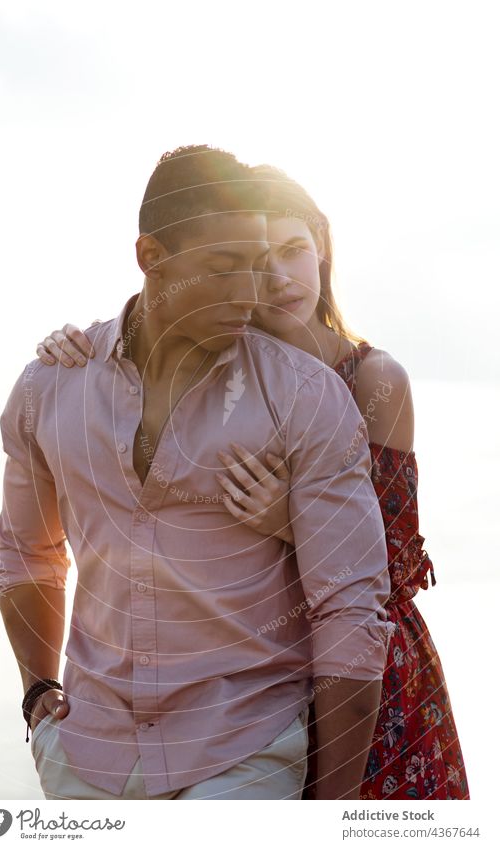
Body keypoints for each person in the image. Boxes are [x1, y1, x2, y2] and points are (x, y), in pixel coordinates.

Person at [38, 161, 470, 800]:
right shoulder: (216, 363)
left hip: (359, 676)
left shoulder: (372, 380)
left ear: (322, 245)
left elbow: (397, 567)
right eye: (253, 258)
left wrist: (288, 522)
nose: (276, 276)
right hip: (245, 695)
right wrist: (74, 350)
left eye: (294, 250)